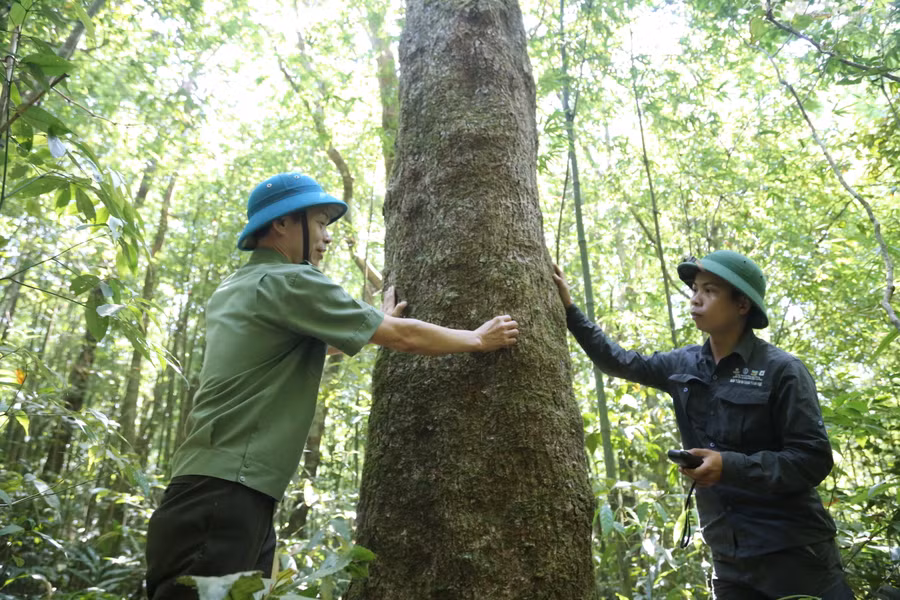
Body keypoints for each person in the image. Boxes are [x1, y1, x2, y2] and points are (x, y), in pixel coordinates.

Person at [145, 172, 519, 599]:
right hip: (227, 497)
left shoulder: (235, 288)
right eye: (319, 222)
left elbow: (287, 350)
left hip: (208, 491)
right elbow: (404, 337)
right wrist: (476, 338)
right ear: (282, 224)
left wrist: (370, 321)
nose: (326, 237)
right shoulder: (291, 281)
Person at [552, 251, 853, 599]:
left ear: (742, 305)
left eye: (710, 291)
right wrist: (570, 312)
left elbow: (812, 459)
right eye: (695, 289)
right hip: (729, 559)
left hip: (794, 554)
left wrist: (730, 465)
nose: (695, 299)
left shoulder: (782, 370)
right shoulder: (683, 364)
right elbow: (618, 361)